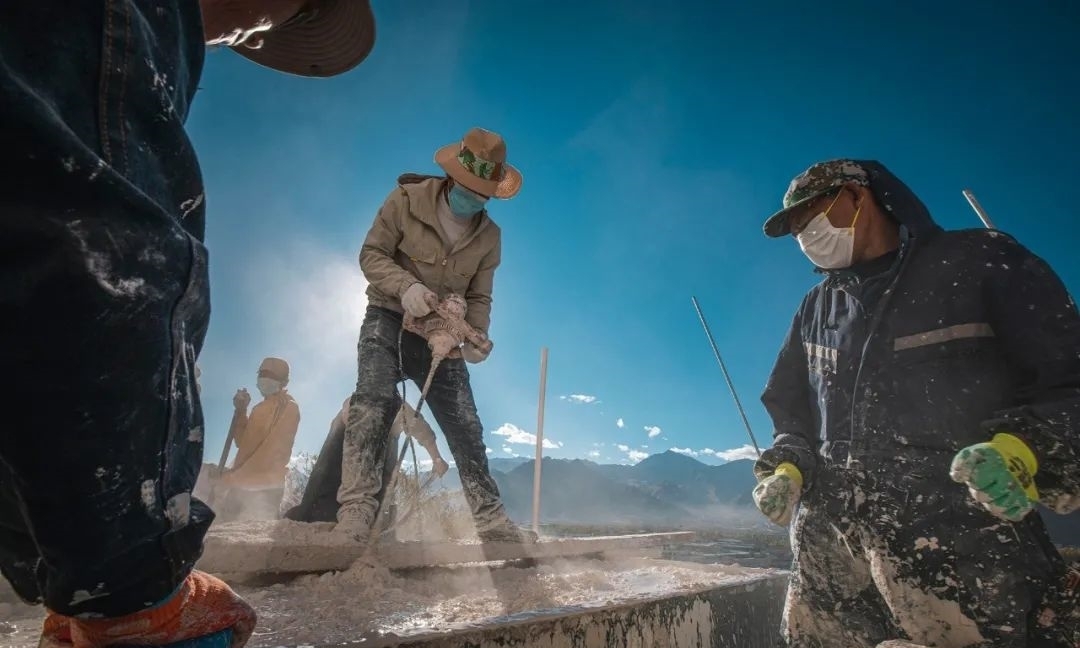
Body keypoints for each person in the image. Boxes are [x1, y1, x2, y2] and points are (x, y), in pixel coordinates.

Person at [0, 1, 374, 646]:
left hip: (244, 485)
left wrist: (48, 553)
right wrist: (127, 588)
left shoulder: (284, 410)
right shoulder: (118, 22)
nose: (248, 36)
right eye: (267, 25)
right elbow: (98, 274)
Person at [751, 159, 1080, 647]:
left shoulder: (979, 262)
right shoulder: (816, 308)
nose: (804, 235)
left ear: (857, 197)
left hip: (963, 559)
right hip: (835, 563)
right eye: (795, 228)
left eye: (809, 216)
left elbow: (1066, 378)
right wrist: (789, 466)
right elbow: (792, 408)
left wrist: (1022, 450)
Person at [335, 127, 534, 545]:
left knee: (465, 421)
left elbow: (479, 294)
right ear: (452, 178)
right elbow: (371, 254)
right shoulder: (405, 201)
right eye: (471, 189)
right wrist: (405, 287)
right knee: (371, 402)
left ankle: (490, 519)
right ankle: (356, 512)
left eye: (485, 194)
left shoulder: (490, 237)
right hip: (388, 315)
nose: (475, 199)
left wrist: (475, 335)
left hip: (440, 334)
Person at [285, 396, 449, 527]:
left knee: (376, 501)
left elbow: (421, 429)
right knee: (321, 505)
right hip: (337, 468)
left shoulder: (398, 406)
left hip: (376, 468)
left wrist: (437, 458)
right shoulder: (354, 404)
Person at [213, 357, 301, 522]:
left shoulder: (288, 407)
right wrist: (241, 411)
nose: (264, 378)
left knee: (251, 538)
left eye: (270, 375)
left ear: (284, 381)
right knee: (222, 529)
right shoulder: (258, 408)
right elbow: (242, 443)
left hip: (264, 488)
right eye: (262, 373)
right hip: (240, 485)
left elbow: (271, 452)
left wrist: (231, 476)